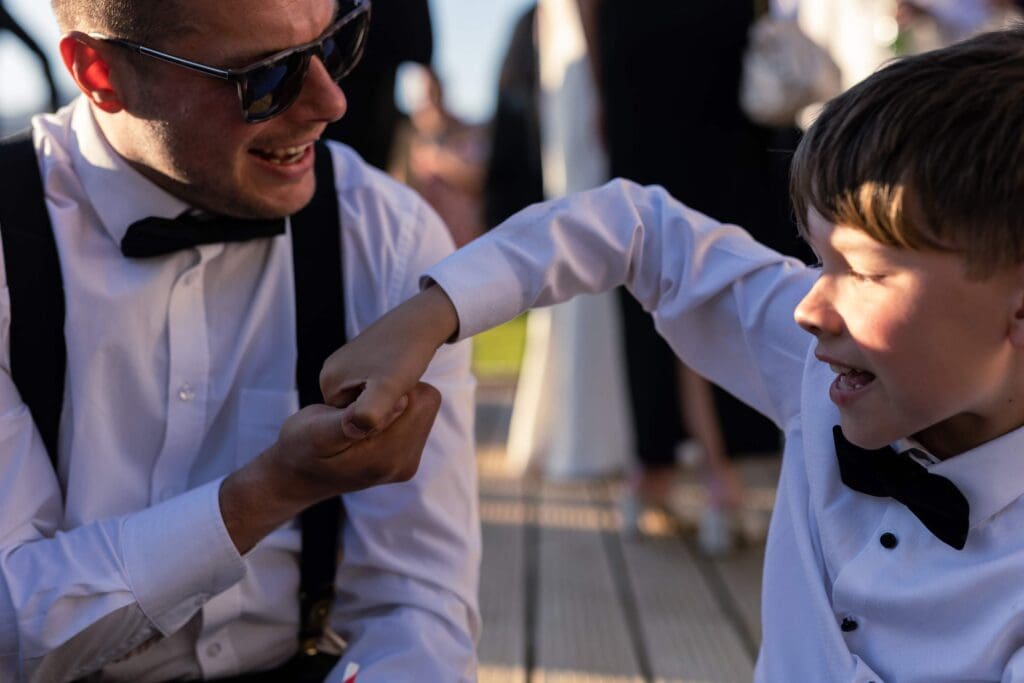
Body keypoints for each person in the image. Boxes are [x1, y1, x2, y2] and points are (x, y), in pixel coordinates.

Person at [321, 28, 1024, 681]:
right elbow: (638, 229)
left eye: (866, 272)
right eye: (816, 261)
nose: (810, 309)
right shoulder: (825, 365)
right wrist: (433, 310)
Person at [0, 0, 479, 681]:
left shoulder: (387, 238)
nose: (331, 100)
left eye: (337, 43)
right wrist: (268, 491)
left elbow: (417, 603)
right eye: (263, 77)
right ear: (98, 71)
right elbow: (11, 622)